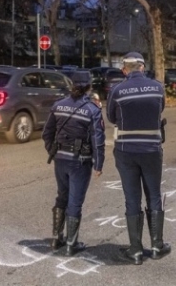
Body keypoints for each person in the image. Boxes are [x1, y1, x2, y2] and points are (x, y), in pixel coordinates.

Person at [106, 52, 171, 265]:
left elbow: (111, 117)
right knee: (154, 194)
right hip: (152, 150)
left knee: (131, 198)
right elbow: (160, 109)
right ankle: (156, 246)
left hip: (126, 152)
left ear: (125, 69)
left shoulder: (117, 90)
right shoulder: (158, 88)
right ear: (142, 67)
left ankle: (135, 251)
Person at [42, 83, 105, 256]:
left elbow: (47, 133)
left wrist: (52, 150)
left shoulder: (58, 105)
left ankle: (56, 238)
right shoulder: (92, 110)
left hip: (60, 159)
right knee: (75, 201)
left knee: (61, 195)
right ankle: (71, 244)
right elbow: (97, 140)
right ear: (88, 88)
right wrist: (98, 164)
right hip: (80, 161)